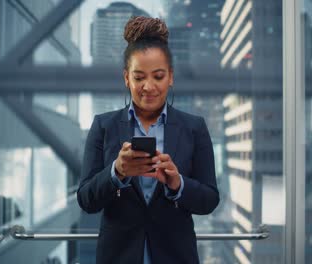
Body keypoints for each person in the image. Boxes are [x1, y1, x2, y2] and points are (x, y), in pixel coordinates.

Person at [77, 16, 219, 264]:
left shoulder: (194, 128)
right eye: (139, 77)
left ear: (171, 77)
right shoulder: (103, 126)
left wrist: (177, 183)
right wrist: (116, 172)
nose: (149, 86)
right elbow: (86, 200)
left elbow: (209, 200)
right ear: (126, 78)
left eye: (158, 76)